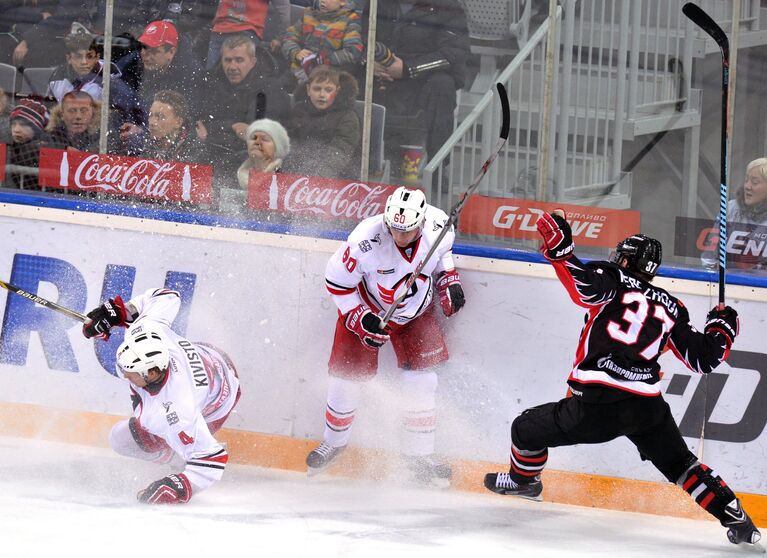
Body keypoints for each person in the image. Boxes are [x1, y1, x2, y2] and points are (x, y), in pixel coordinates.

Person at [484, 210, 762, 548]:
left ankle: (524, 481)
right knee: (683, 466)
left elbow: (584, 289)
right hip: (647, 406)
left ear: (626, 260)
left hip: (598, 404)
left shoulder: (612, 277)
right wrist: (722, 327)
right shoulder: (672, 306)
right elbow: (704, 358)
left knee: (524, 428)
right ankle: (741, 522)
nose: (616, 259)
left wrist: (561, 253)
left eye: (621, 256)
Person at [306, 186, 466, 486]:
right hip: (368, 308)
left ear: (421, 222)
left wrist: (449, 279)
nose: (400, 237)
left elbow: (443, 253)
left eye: (407, 231)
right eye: (395, 230)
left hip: (416, 312)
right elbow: (336, 282)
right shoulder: (365, 240)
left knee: (422, 381)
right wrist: (360, 318)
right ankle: (334, 442)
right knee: (346, 377)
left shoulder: (439, 225)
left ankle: (419, 456)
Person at [81, 287, 241, 504]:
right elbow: (167, 295)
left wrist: (180, 486)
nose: (125, 374)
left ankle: (178, 456)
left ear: (153, 373)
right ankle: (178, 453)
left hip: (218, 403)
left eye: (133, 371)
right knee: (127, 436)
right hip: (212, 359)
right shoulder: (146, 329)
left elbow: (213, 459)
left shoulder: (176, 411)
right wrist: (119, 313)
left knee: (123, 440)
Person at [363, 0, 469, 178]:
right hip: (381, 72)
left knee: (442, 85)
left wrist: (407, 69)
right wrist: (368, 62)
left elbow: (453, 54)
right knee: (346, 76)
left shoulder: (449, 5)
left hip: (423, 78)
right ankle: (358, 163)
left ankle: (436, 169)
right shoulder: (377, 3)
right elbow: (360, 37)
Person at [198, 35, 291, 168]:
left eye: (239, 60)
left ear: (253, 62)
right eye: (227, 60)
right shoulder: (210, 84)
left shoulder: (269, 91)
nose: (232, 66)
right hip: (210, 155)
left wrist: (213, 131)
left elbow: (253, 137)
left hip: (251, 162)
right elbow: (200, 124)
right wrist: (232, 126)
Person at [284, 66, 360, 179]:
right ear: (308, 90)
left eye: (328, 90)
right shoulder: (298, 111)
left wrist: (317, 180)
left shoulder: (347, 117)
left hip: (336, 179)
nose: (322, 95)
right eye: (317, 89)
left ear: (337, 91)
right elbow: (289, 144)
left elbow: (339, 154)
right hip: (297, 175)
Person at [702, 157, 767, 272]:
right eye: (746, 180)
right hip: (729, 285)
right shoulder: (730, 209)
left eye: (755, 182)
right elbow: (709, 257)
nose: (747, 186)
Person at [281, 0, 363, 84]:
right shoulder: (308, 14)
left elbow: (353, 51)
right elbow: (288, 37)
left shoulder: (351, 20)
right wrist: (296, 53)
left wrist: (321, 59)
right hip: (298, 72)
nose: (322, 1)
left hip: (330, 78)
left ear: (343, 2)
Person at [122, 90, 208, 162]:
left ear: (178, 122)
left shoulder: (196, 152)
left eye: (161, 117)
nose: (152, 122)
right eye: (151, 115)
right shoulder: (140, 145)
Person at [207, 0, 291, 69]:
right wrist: (279, 38)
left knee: (211, 77)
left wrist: (280, 37)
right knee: (239, 79)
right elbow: (284, 11)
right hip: (244, 32)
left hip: (223, 30)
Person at [7, 98, 49, 189]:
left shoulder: (39, 150)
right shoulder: (9, 146)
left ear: (36, 129)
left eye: (23, 124)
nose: (16, 130)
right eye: (13, 124)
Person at [237, 118, 290, 188]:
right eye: (253, 138)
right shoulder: (232, 175)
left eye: (264, 139)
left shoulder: (284, 183)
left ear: (277, 149)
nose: (257, 142)